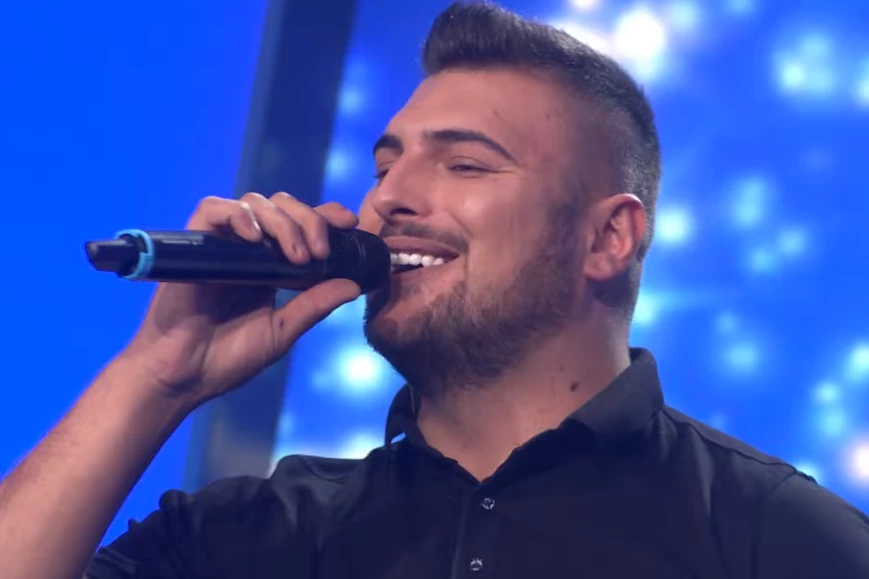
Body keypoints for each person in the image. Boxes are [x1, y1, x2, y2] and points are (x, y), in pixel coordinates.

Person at [1, 2, 868, 578]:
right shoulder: (252, 534)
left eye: (463, 164)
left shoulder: (772, 537)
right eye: (385, 166)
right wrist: (157, 377)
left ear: (609, 238)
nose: (388, 200)